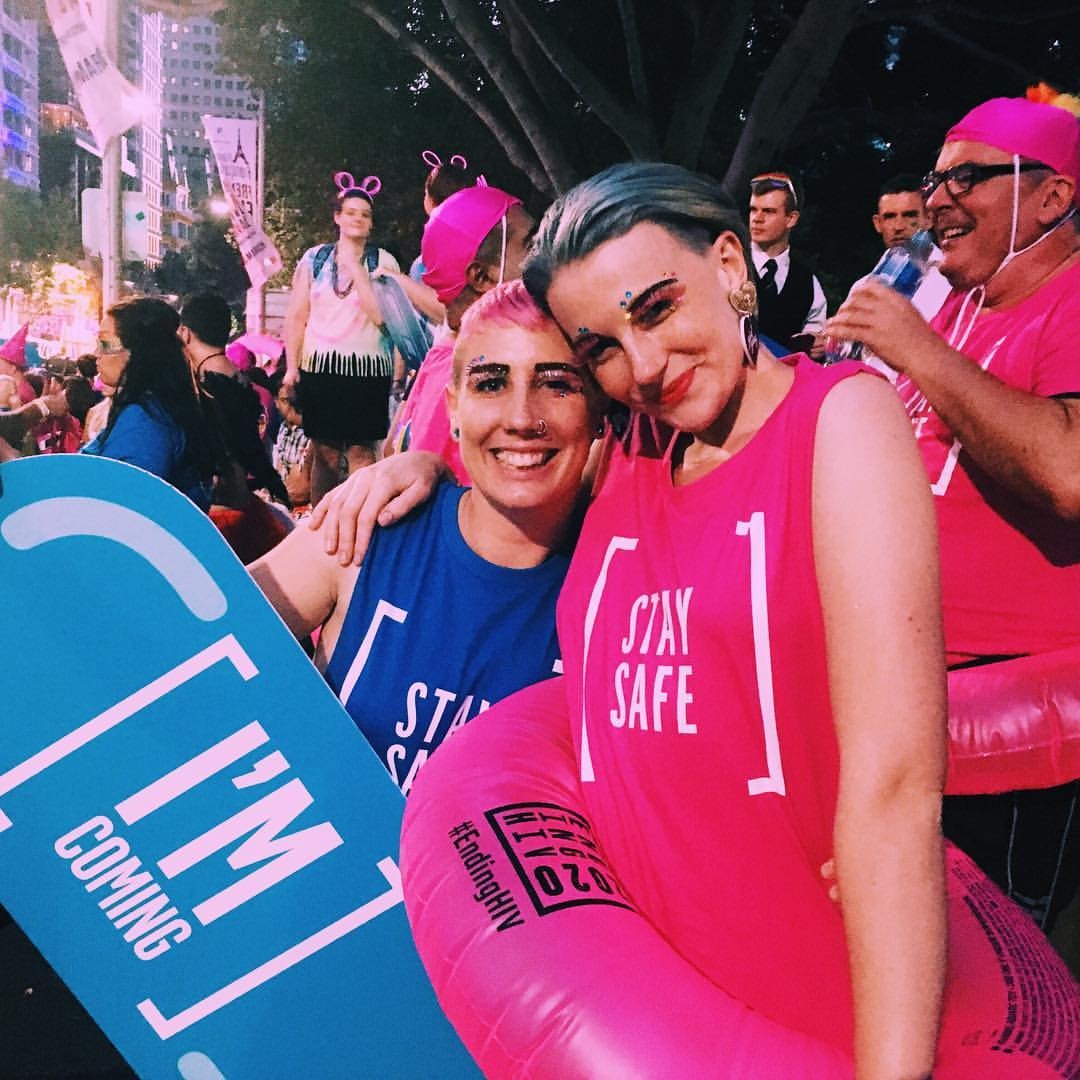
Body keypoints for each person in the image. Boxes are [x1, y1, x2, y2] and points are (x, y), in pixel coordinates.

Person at [315, 163, 948, 1079]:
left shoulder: (839, 421)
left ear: (731, 263)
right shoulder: (638, 449)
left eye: (656, 308)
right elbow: (522, 452)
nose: (643, 366)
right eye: (602, 347)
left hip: (781, 990)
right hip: (614, 982)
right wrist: (417, 472)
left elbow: (896, 790)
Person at [826, 87, 1080, 932]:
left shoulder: (1067, 299)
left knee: (993, 981)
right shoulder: (957, 303)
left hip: (1013, 741)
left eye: (968, 177)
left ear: (1054, 195)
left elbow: (1071, 472)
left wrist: (916, 348)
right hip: (905, 706)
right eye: (934, 182)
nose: (939, 201)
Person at [251, 281, 601, 795]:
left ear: (598, 412)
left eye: (557, 384)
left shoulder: (618, 590)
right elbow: (181, 658)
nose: (523, 418)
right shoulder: (368, 528)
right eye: (490, 384)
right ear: (454, 408)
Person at [386, 184, 533, 483]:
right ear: (481, 276)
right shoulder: (459, 377)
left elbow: (391, 448)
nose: (544, 258)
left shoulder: (450, 357)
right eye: (530, 245)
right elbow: (427, 500)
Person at [283, 175, 403, 504]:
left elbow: (382, 317)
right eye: (350, 212)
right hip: (320, 369)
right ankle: (320, 527)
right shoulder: (314, 259)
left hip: (367, 372)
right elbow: (296, 315)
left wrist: (357, 268)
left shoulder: (383, 262)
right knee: (325, 454)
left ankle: (360, 521)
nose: (357, 219)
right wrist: (291, 368)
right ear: (337, 217)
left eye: (364, 214)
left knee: (363, 453)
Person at [81, 298, 216, 511]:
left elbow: (128, 509)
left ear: (138, 351)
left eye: (105, 344)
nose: (96, 354)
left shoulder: (146, 420)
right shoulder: (158, 409)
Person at [748, 172, 827, 354]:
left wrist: (817, 346)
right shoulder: (728, 265)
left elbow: (817, 343)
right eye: (753, 209)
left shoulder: (808, 284)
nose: (756, 218)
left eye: (768, 211)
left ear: (791, 219)